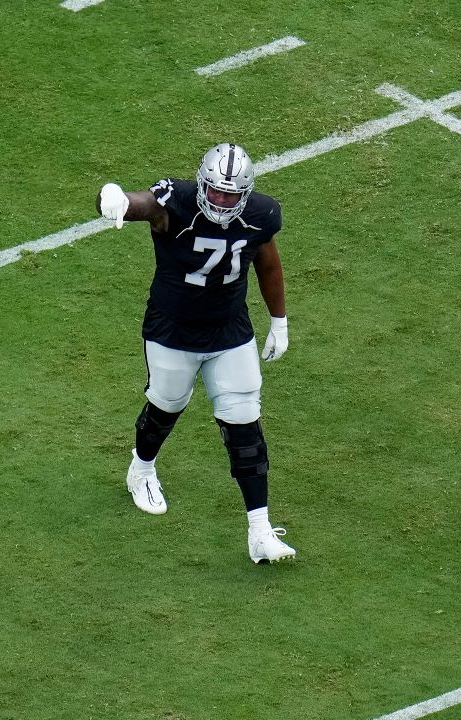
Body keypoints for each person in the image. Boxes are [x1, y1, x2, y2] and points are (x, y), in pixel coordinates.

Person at [97, 142, 296, 563]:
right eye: (216, 191)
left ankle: (259, 530)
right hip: (172, 328)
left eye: (231, 194)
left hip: (229, 329)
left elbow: (268, 263)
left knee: (244, 423)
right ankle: (142, 468)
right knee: (166, 406)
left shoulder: (260, 214)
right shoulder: (178, 201)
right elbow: (143, 204)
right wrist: (112, 196)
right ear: (203, 184)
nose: (222, 201)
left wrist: (278, 319)